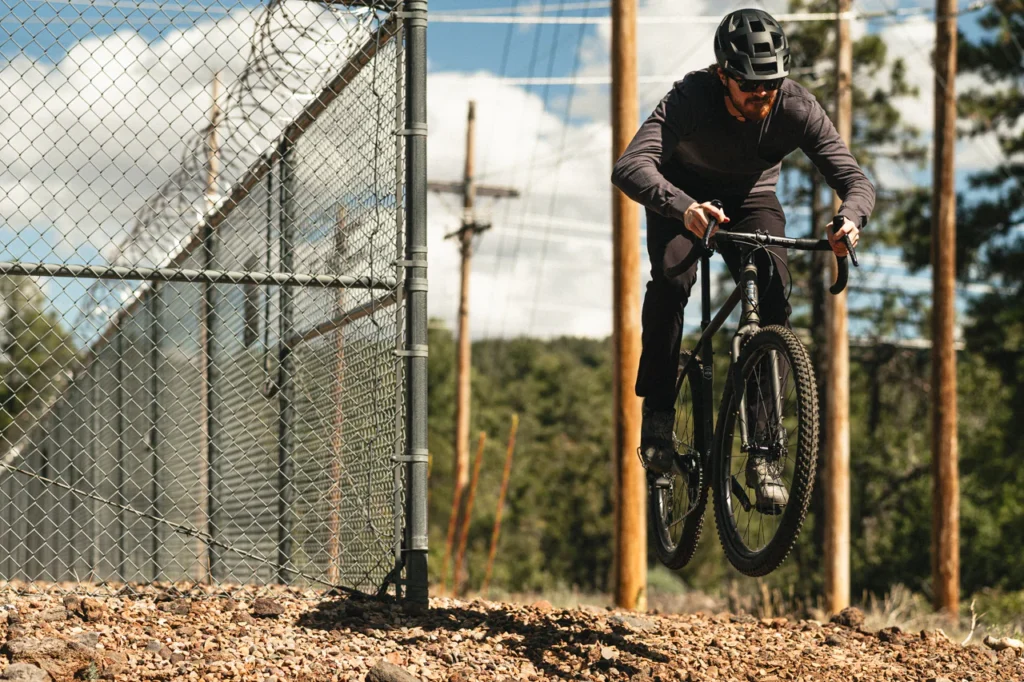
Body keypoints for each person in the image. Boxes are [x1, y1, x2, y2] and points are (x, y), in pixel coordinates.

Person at [610, 7, 875, 510]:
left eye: (771, 84)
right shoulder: (691, 97)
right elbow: (630, 165)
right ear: (723, 75)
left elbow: (854, 180)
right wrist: (683, 208)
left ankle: (765, 454)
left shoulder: (796, 106)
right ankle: (659, 414)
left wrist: (850, 219)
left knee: (773, 301)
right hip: (682, 197)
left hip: (751, 200)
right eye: (750, 85)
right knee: (672, 282)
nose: (762, 95)